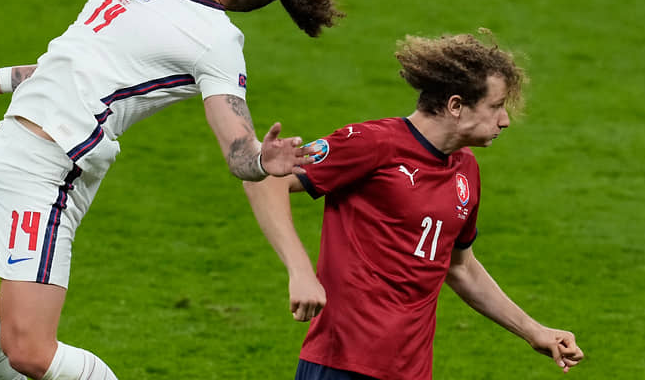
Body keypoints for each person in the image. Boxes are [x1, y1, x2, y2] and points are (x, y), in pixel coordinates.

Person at [0, 0, 343, 380]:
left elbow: (237, 144)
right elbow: (78, 61)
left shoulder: (216, 41)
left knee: (30, 351)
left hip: (50, 169)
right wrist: (2, 79)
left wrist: (261, 160)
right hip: (6, 143)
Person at [243, 32, 584, 380]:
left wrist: (534, 331)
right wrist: (300, 271)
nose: (505, 120)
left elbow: (460, 267)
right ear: (455, 106)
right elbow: (264, 178)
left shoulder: (466, 169)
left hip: (411, 371)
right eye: (495, 106)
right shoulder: (372, 143)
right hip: (342, 364)